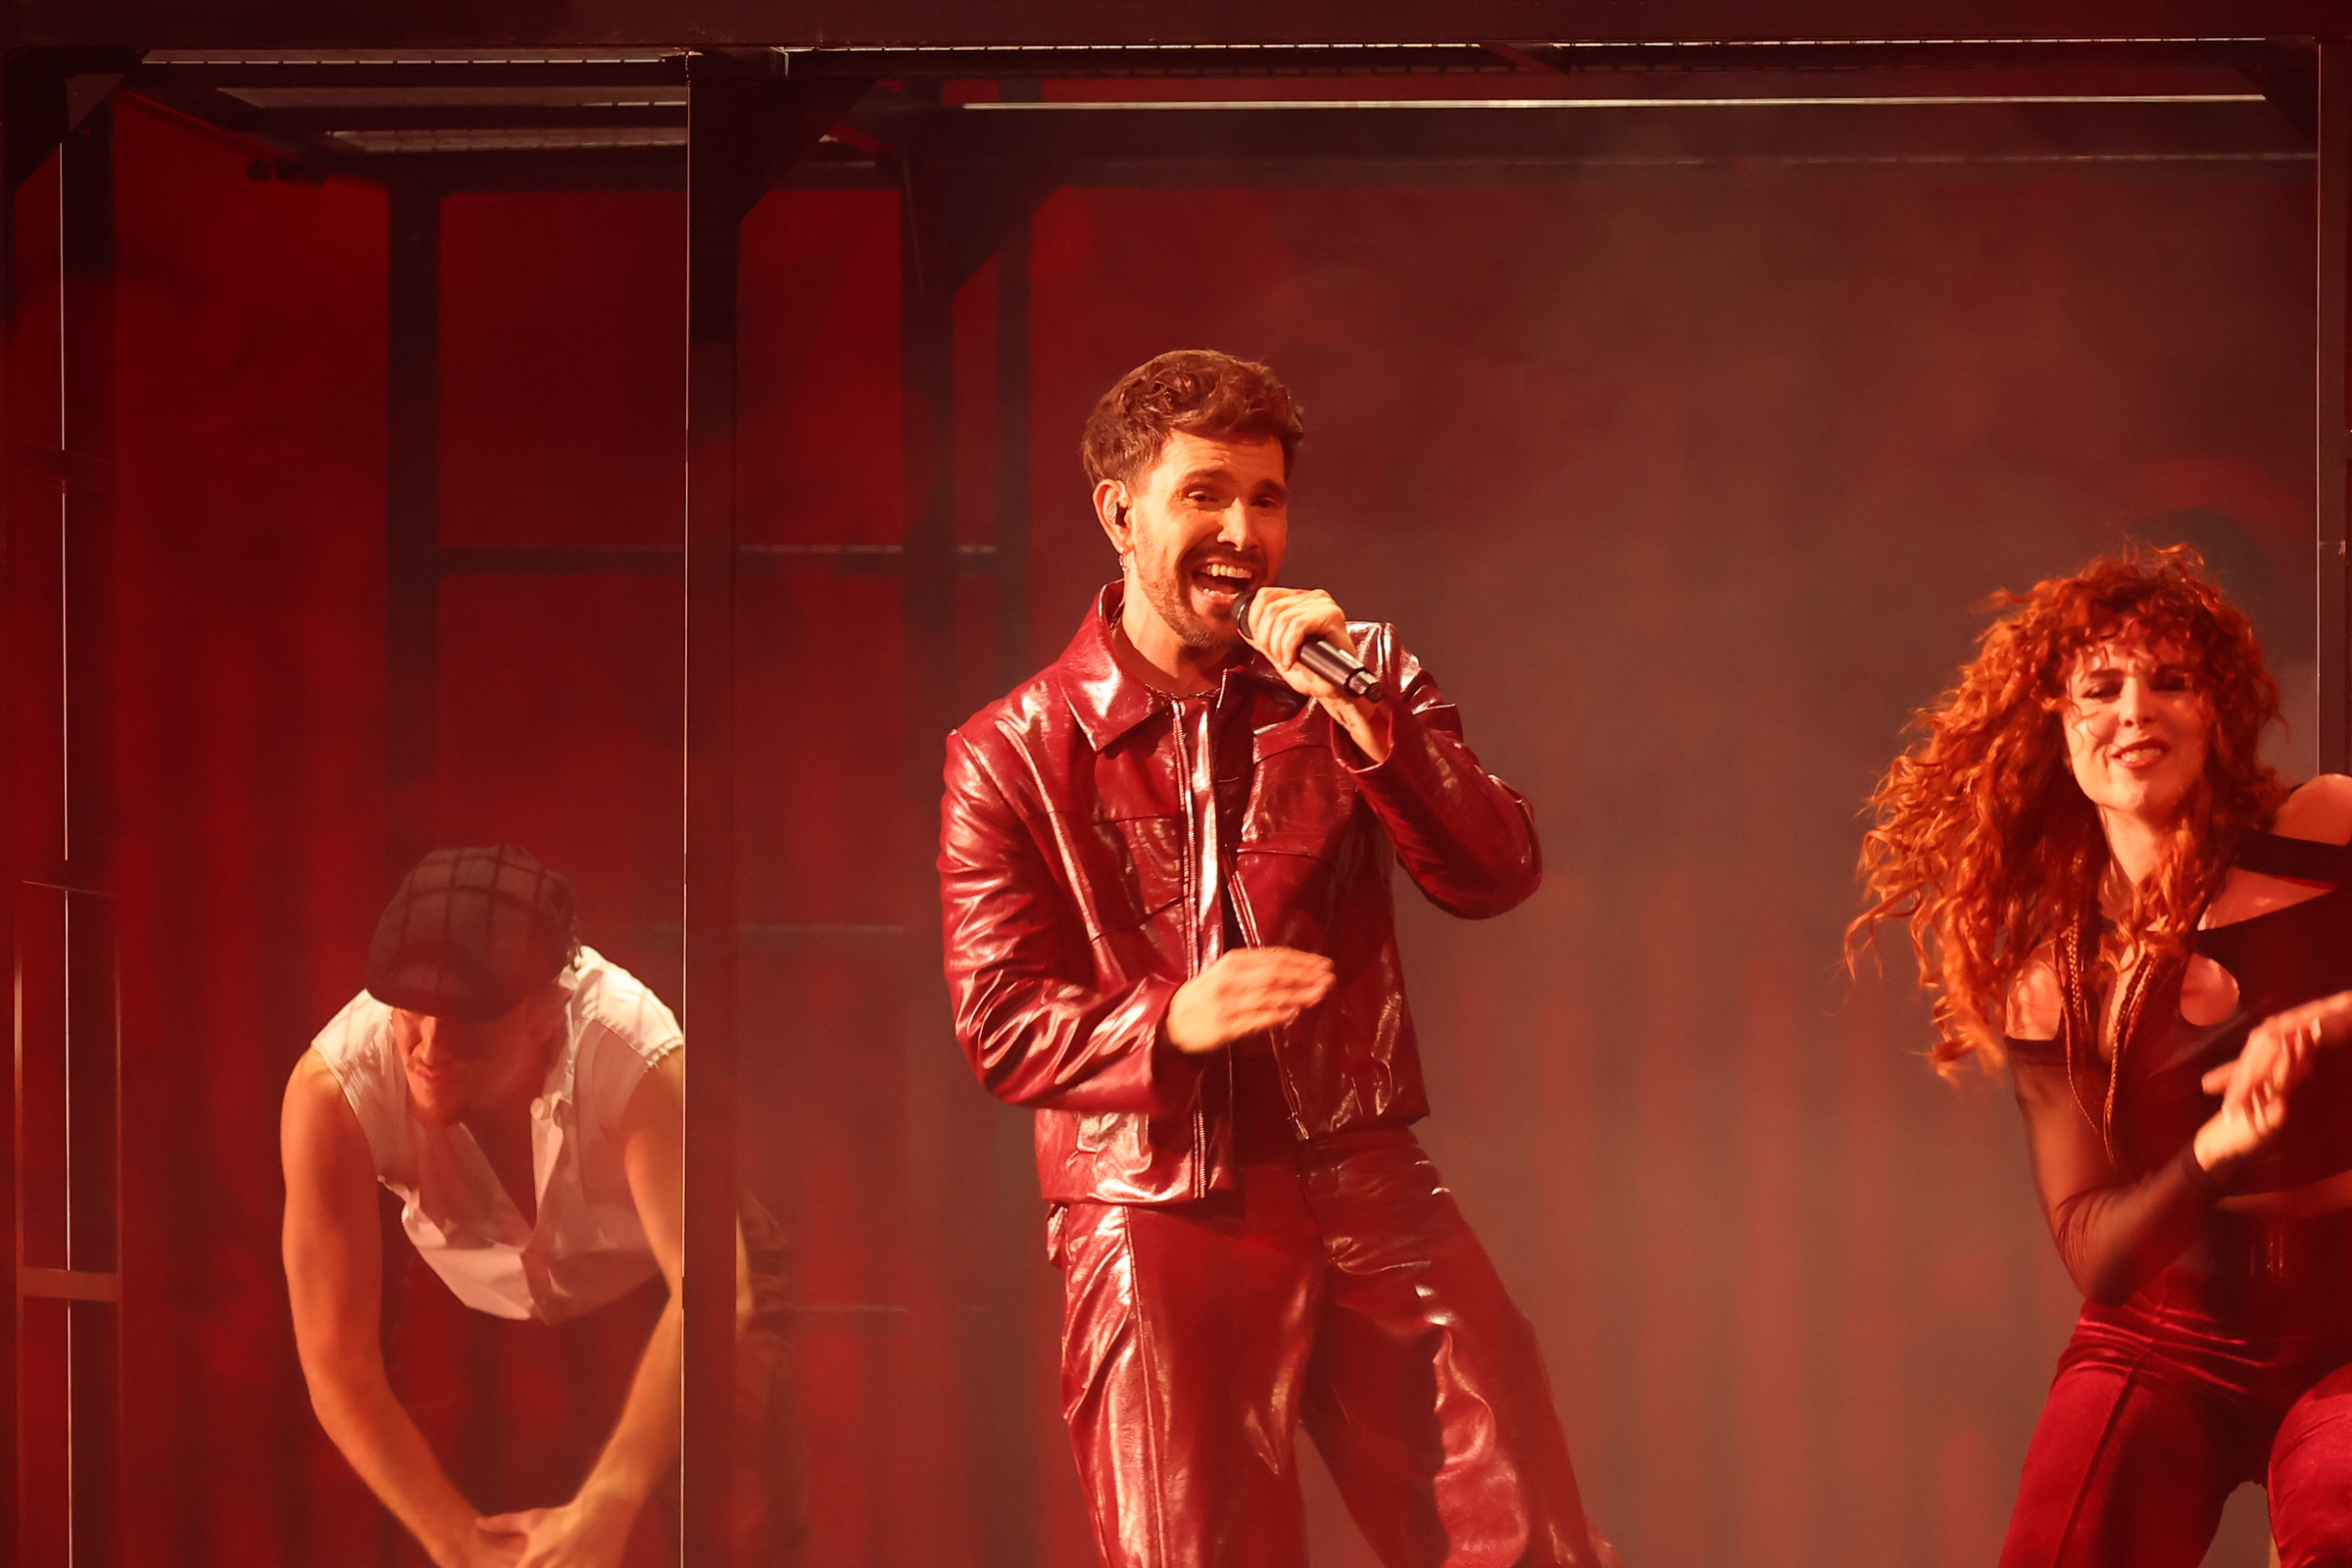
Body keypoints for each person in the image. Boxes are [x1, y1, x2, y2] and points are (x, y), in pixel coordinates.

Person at [937, 349, 1614, 1567]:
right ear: (1119, 512)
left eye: (1265, 498)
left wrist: (1372, 726)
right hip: (1154, 1206)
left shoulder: (1357, 676)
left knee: (1528, 1538)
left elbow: (1496, 871)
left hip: (1365, 1174)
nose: (1242, 533)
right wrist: (1168, 1022)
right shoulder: (1012, 750)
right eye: (1204, 495)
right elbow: (1000, 1020)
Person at [1854, 546, 2352, 1567]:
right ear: (2058, 724)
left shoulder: (2323, 830)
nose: (2136, 711)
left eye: (2172, 681)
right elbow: (2097, 1249)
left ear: (2218, 711)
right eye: (2102, 688)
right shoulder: (2059, 982)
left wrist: (2333, 1019)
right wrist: (2216, 1151)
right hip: (2169, 1338)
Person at [280, 845, 793, 1568]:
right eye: (411, 1011)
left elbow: (710, 1292)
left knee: (740, 1528)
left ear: (547, 1010)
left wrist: (610, 1502)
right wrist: (457, 1541)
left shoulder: (635, 1053)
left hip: (665, 1282)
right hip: (474, 1299)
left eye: (469, 1017)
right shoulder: (331, 1090)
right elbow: (338, 1361)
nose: (431, 1048)